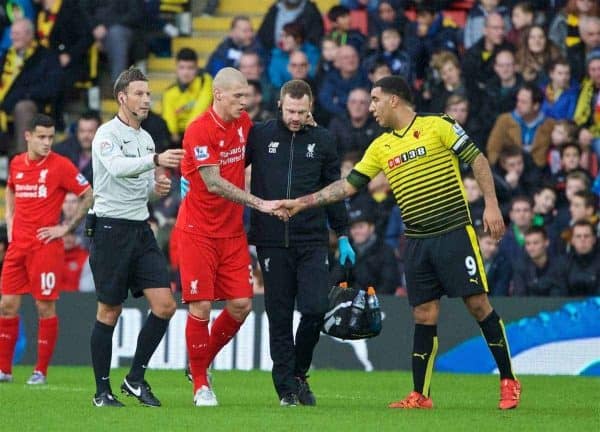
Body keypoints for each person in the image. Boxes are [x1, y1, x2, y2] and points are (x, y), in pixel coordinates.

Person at [278, 76, 521, 410]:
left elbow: (477, 159)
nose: (371, 107)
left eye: (375, 99)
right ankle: (420, 394)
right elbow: (347, 186)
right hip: (417, 242)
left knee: (478, 304)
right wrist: (302, 202)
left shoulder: (439, 126)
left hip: (453, 232)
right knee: (424, 314)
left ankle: (508, 380)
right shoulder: (381, 147)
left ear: (394, 100)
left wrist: (492, 204)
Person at [174, 67, 282, 407]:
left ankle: (199, 362)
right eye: (238, 96)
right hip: (197, 232)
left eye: (246, 96)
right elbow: (213, 182)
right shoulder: (199, 130)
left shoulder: (243, 124)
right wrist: (258, 203)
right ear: (218, 94)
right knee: (201, 306)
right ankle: (201, 386)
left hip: (231, 233)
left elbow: (254, 156)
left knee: (241, 305)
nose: (244, 102)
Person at [246, 79, 353, 407]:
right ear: (280, 104)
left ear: (310, 110)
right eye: (291, 110)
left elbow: (333, 189)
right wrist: (195, 179)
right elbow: (231, 165)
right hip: (271, 240)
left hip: (312, 239)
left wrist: (343, 233)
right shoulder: (260, 134)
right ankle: (286, 390)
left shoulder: (323, 140)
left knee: (315, 309)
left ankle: (298, 373)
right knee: (278, 316)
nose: (295, 117)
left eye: (301, 112)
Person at [88, 67, 185, 408]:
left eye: (148, 94)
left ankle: (134, 378)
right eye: (140, 94)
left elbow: (141, 190)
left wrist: (157, 190)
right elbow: (115, 168)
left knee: (165, 306)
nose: (147, 100)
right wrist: (156, 161)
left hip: (140, 229)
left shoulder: (145, 139)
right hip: (111, 229)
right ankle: (102, 392)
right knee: (109, 311)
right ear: (122, 98)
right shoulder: (106, 135)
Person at [0, 114, 93, 385]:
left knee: (44, 307)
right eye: (41, 137)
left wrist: (65, 228)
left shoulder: (61, 166)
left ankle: (40, 371)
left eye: (51, 137)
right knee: (6, 305)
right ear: (28, 136)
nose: (47, 142)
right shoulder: (17, 163)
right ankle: (5, 370)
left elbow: (89, 194)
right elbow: (11, 188)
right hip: (18, 247)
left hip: (45, 247)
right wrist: (10, 220)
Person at [162, 48, 213, 146]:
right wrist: (173, 133)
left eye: (190, 68)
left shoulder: (205, 82)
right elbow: (169, 120)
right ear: (176, 68)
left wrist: (188, 134)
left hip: (199, 132)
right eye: (182, 67)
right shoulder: (169, 92)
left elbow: (200, 110)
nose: (185, 73)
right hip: (179, 137)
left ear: (197, 68)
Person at [53, 111, 101, 184]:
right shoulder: (62, 150)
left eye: (90, 131)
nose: (85, 136)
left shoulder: (107, 156)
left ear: (100, 132)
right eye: (82, 131)